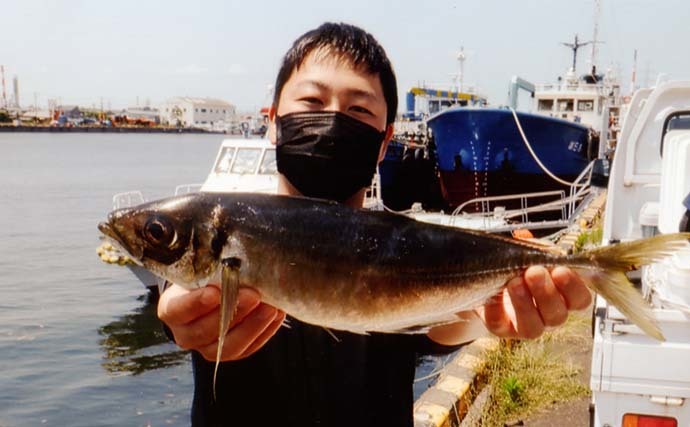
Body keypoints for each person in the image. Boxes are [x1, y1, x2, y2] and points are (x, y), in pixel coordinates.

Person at [157, 22, 592, 427]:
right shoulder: (222, 236)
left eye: (359, 110)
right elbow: (177, 301)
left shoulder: (402, 245)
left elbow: (443, 325)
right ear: (273, 121)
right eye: (312, 101)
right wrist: (182, 314)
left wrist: (491, 313)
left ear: (385, 141)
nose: (333, 121)